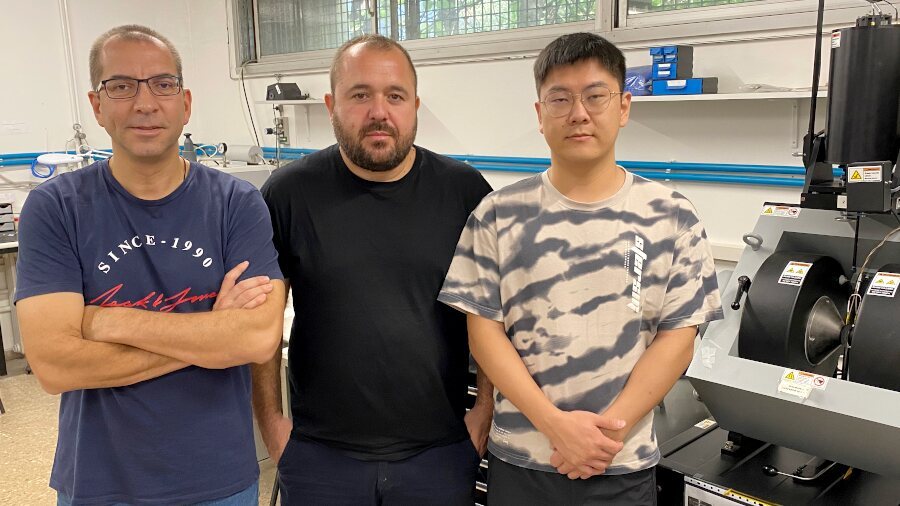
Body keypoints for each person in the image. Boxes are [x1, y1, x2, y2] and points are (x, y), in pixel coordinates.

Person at [438, 32, 723, 505]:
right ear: (539, 114)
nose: (579, 114)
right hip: (522, 463)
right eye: (560, 99)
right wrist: (555, 426)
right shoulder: (497, 214)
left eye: (596, 96)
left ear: (624, 106)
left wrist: (604, 435)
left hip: (621, 463)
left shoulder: (672, 215)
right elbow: (484, 332)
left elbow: (678, 338)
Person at [15, 25, 285, 505]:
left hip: (218, 479)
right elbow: (53, 365)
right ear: (97, 106)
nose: (145, 102)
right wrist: (212, 333)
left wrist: (107, 321)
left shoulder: (236, 203)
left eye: (162, 84)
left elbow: (257, 338)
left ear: (185, 103)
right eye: (121, 85)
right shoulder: (55, 207)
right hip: (101, 481)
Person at [253, 34, 494, 505]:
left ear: (416, 105)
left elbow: (489, 312)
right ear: (331, 104)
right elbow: (262, 324)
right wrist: (272, 426)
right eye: (360, 95)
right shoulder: (288, 194)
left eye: (395, 96)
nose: (379, 111)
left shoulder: (465, 192)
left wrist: (484, 409)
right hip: (320, 457)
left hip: (439, 453)